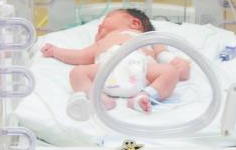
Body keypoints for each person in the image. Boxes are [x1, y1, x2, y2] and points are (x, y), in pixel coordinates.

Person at [41, 8, 190, 117]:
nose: (99, 26)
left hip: (141, 69)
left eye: (108, 17)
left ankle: (144, 96)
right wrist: (56, 51)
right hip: (105, 70)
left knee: (170, 72)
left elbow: (163, 55)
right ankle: (99, 99)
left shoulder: (149, 37)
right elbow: (79, 56)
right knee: (77, 73)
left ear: (135, 23)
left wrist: (178, 65)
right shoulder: (103, 42)